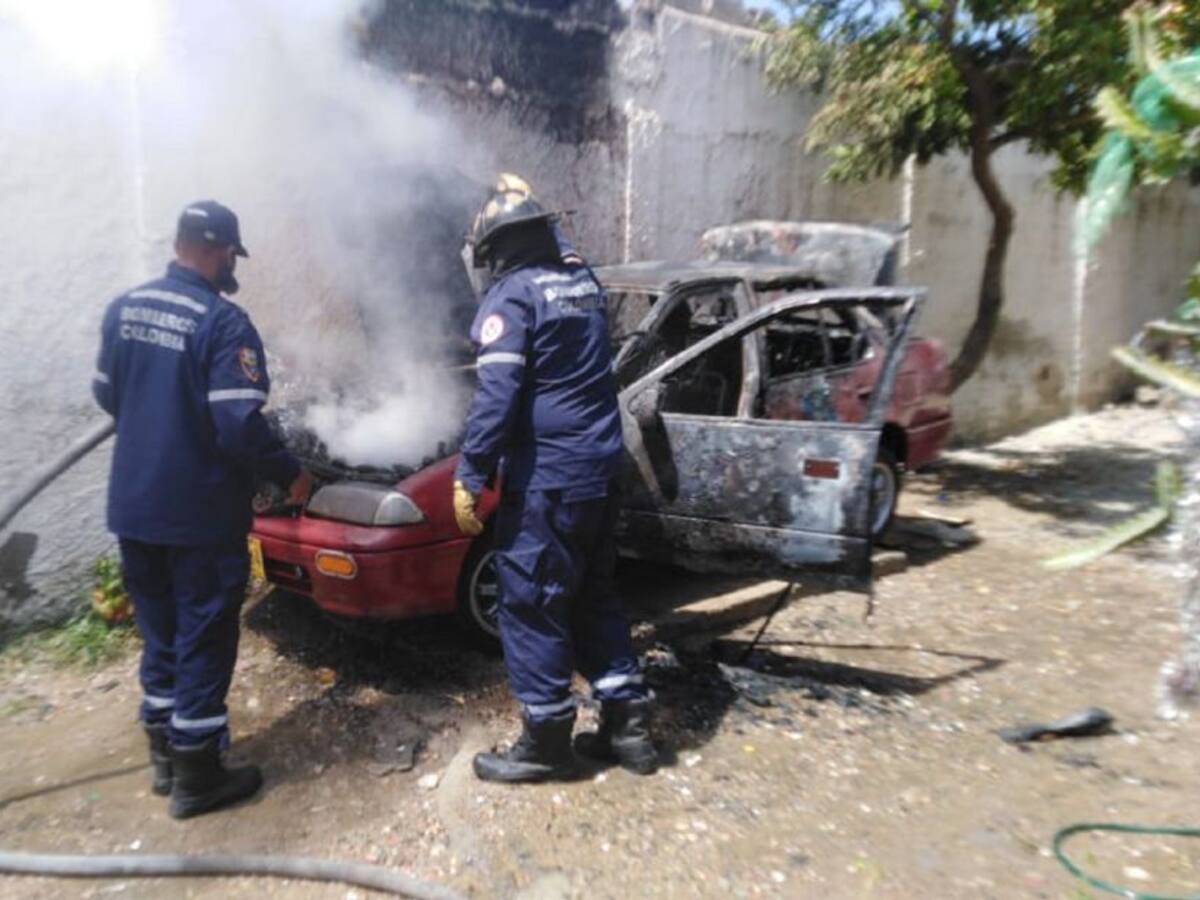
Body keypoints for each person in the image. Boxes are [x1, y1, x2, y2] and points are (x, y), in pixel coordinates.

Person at [92, 200, 312, 819]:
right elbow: (238, 424)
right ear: (218, 252)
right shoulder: (223, 323)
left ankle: (163, 754)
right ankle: (198, 775)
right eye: (229, 257)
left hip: (135, 508)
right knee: (204, 637)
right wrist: (289, 474)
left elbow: (108, 395)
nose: (228, 269)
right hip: (199, 515)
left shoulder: (125, 309)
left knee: (160, 633)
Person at [454, 175, 658, 783]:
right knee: (593, 594)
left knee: (531, 603)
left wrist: (470, 473)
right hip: (599, 469)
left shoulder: (512, 298)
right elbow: (561, 251)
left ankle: (546, 742)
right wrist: (539, 209)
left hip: (548, 479)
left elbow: (497, 396)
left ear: (498, 251)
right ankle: (630, 730)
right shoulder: (582, 282)